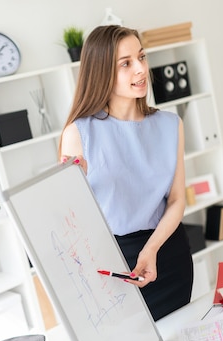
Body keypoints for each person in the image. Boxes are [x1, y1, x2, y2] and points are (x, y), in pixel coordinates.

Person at [58, 25, 193, 321]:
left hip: (167, 250)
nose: (141, 70)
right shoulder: (79, 133)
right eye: (126, 63)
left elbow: (176, 201)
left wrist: (152, 248)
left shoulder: (171, 125)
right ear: (102, 70)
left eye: (141, 58)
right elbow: (72, 218)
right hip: (114, 261)